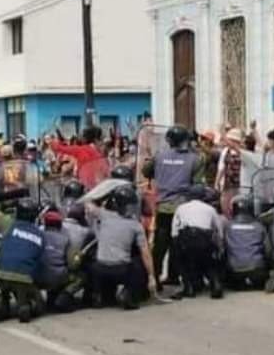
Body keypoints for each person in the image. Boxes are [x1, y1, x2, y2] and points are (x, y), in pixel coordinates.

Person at [141, 126, 201, 287]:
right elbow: (198, 186)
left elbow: (145, 171)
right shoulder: (195, 159)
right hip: (184, 208)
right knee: (179, 243)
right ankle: (175, 276)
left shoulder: (159, 156)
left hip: (163, 207)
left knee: (160, 245)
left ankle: (155, 277)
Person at [85, 185, 156, 309]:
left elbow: (88, 204)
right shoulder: (135, 225)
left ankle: (98, 295)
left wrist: (105, 195)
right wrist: (151, 276)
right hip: (122, 270)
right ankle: (129, 294)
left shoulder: (103, 215)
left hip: (100, 268)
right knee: (138, 263)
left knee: (93, 262)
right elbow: (145, 253)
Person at [0, 198, 45, 322]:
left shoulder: (8, 224)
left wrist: (7, 203)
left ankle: (3, 305)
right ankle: (24, 305)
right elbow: (39, 260)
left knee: (6, 280)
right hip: (22, 277)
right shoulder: (40, 234)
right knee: (39, 305)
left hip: (0, 274)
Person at [171, 185, 225, 299]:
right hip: (205, 240)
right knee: (209, 262)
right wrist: (219, 248)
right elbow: (219, 231)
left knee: (180, 259)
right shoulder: (210, 209)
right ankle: (215, 284)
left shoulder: (181, 208)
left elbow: (174, 232)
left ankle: (188, 287)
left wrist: (178, 249)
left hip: (187, 239)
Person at [223, 194, 267, 290]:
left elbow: (223, 247)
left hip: (234, 269)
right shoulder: (259, 226)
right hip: (257, 267)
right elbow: (267, 248)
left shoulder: (228, 226)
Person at [215, 128, 245, 216]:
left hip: (240, 184)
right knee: (225, 205)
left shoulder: (243, 151)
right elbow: (221, 167)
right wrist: (217, 182)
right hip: (227, 184)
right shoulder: (225, 151)